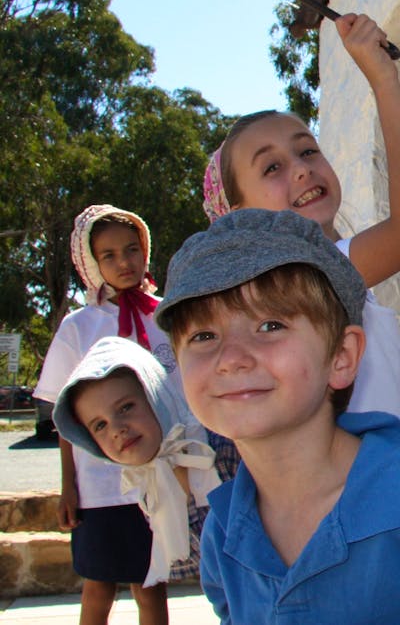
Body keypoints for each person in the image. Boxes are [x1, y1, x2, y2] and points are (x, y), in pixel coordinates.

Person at [154, 208, 400, 624]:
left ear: (341, 357)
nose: (230, 359)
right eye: (203, 336)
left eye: (270, 325)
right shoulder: (223, 533)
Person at [202, 13, 400, 415]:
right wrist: (383, 80)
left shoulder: (339, 266)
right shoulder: (308, 273)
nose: (300, 167)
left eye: (307, 150)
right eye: (271, 168)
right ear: (238, 215)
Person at [34, 204, 183, 625]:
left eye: (132, 250)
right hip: (99, 489)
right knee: (98, 587)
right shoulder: (79, 328)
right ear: (92, 262)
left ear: (145, 251)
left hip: (158, 482)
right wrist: (69, 487)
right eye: (109, 255)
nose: (124, 262)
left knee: (152, 586)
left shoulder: (169, 315)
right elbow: (66, 418)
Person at [53, 336, 221, 590]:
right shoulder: (149, 484)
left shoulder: (219, 454)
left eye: (125, 408)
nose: (117, 429)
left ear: (156, 393)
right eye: (100, 425)